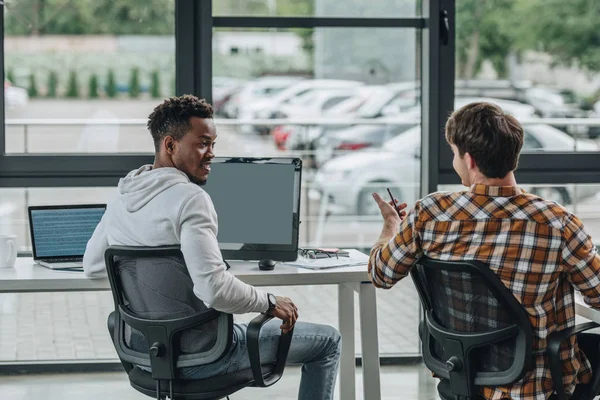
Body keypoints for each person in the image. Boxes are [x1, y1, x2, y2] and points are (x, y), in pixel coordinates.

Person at [83, 95, 341, 400]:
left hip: (150, 354)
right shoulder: (190, 198)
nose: (211, 155)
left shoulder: (123, 195)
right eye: (203, 143)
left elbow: (94, 266)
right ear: (170, 145)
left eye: (214, 144)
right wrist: (269, 301)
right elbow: (214, 290)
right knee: (328, 342)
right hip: (208, 356)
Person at [368, 102, 600, 399]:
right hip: (534, 387)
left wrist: (391, 226)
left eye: (454, 153)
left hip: (460, 374)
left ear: (470, 160)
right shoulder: (556, 222)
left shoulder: (429, 213)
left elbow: (379, 274)